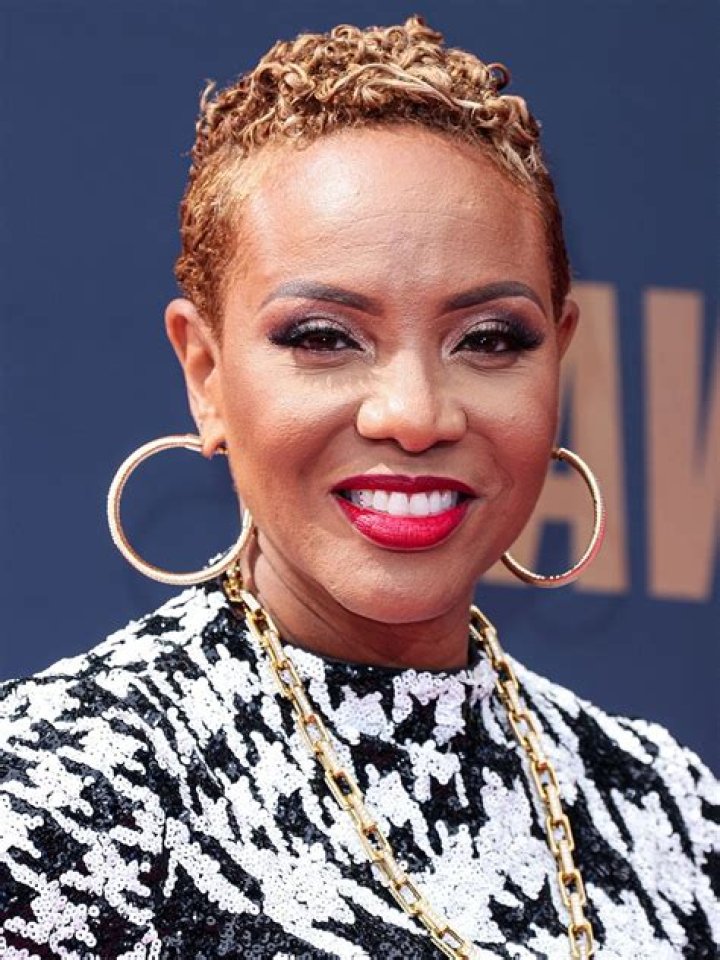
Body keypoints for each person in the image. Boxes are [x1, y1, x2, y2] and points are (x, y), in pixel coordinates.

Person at [0, 16, 717, 960]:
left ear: (560, 360)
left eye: (489, 339)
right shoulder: (58, 796)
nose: (415, 414)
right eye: (324, 337)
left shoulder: (669, 811)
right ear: (206, 374)